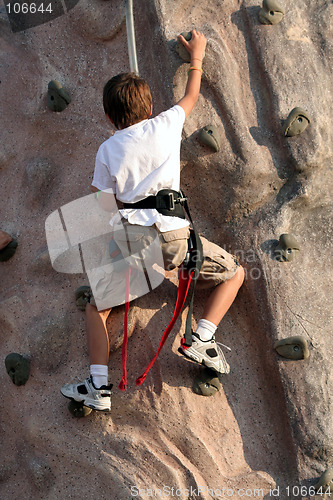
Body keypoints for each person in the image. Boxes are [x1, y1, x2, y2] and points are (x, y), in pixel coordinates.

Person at [60, 30, 245, 411]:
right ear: (149, 108)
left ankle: (98, 387)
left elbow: (103, 204)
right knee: (236, 273)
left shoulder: (107, 149)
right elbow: (191, 96)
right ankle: (203, 337)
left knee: (98, 308)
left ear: (109, 117)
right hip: (179, 238)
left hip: (137, 244)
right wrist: (197, 56)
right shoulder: (165, 124)